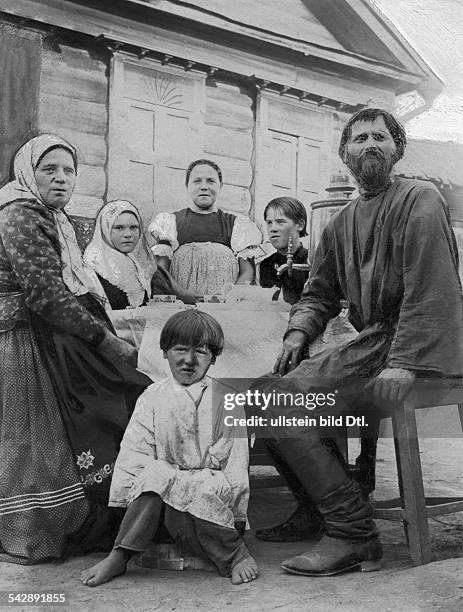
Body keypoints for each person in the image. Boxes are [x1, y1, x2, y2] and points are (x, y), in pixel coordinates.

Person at [247, 108, 463, 575]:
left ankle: (353, 532)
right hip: (377, 342)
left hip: (414, 343)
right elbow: (319, 292)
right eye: (360, 137)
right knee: (261, 395)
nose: (370, 144)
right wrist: (299, 330)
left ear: (397, 149)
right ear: (345, 153)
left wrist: (406, 361)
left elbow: (432, 288)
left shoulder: (419, 198)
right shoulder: (342, 222)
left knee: (282, 399)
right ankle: (317, 508)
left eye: (380, 137)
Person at [0, 135, 151, 565]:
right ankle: (28, 537)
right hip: (22, 337)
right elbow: (46, 295)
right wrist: (105, 341)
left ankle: (80, 524)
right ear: (29, 173)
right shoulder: (21, 215)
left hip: (45, 333)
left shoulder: (51, 216)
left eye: (68, 170)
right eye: (50, 169)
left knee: (54, 439)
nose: (61, 178)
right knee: (28, 440)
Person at [81, 310, 258, 586]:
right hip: (162, 501)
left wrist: (236, 516)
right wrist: (160, 481)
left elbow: (235, 465)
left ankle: (235, 555)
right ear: (164, 352)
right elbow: (135, 454)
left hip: (207, 498)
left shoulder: (227, 399)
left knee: (203, 488)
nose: (189, 360)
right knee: (154, 475)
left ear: (213, 357)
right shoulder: (151, 397)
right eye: (180, 349)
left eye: (200, 352)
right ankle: (120, 554)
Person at [149, 159, 263, 294]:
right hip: (182, 303)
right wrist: (184, 296)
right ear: (187, 185)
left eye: (211, 181)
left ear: (220, 185)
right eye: (197, 181)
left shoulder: (236, 224)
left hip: (224, 305)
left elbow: (247, 273)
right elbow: (161, 272)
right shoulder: (170, 222)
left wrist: (229, 299)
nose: (204, 186)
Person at [84, 200, 198, 310]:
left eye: (134, 227)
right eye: (119, 228)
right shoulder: (93, 267)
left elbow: (177, 294)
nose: (128, 234)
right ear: (105, 229)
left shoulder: (143, 265)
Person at [259, 197, 310, 304]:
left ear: (300, 225)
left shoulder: (310, 261)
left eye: (280, 222)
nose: (272, 228)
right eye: (269, 223)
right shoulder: (266, 264)